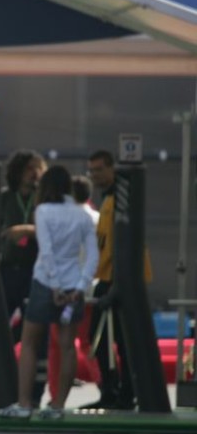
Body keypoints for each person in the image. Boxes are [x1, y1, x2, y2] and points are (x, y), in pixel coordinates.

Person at [0, 166, 98, 419]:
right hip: (74, 285)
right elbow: (92, 255)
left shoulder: (42, 211)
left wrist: (54, 286)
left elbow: (47, 250)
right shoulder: (83, 215)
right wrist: (79, 286)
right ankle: (58, 406)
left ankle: (24, 405)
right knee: (67, 347)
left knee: (30, 343)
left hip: (45, 283)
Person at [0, 149, 48, 407]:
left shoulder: (46, 200)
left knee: (37, 334)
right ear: (18, 171)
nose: (35, 174)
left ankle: (34, 394)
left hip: (37, 272)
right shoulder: (3, 198)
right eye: (29, 168)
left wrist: (28, 231)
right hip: (6, 270)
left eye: (39, 168)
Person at [80, 149, 152, 410]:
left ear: (111, 169)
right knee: (102, 339)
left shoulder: (119, 199)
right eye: (92, 170)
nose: (94, 175)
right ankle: (113, 392)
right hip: (109, 276)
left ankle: (123, 394)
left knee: (121, 340)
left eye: (99, 169)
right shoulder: (109, 199)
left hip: (119, 277)